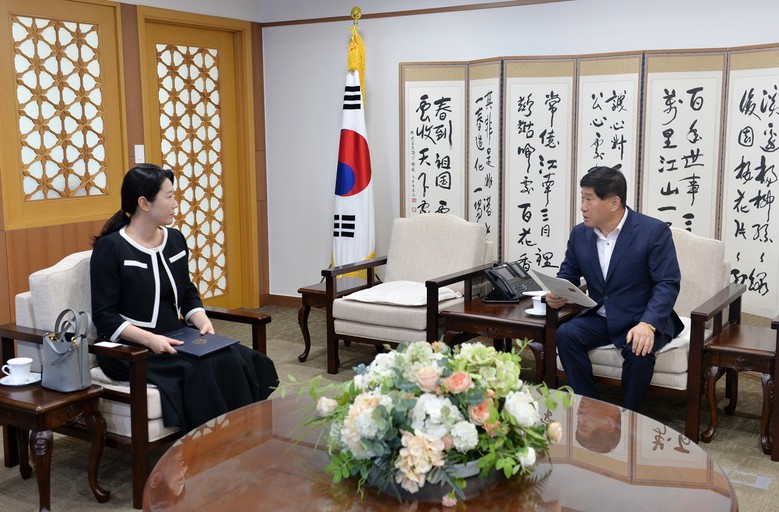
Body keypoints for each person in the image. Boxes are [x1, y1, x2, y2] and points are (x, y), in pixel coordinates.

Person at [90, 163, 278, 433]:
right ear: (144, 203)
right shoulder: (111, 248)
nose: (176, 203)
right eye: (169, 196)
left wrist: (201, 319)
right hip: (131, 349)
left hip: (177, 336)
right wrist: (151, 340)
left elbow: (187, 292)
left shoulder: (175, 239)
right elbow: (104, 315)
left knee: (239, 357)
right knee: (201, 370)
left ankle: (244, 435)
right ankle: (211, 444)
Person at [546, 165, 683, 411]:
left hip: (641, 317)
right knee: (566, 335)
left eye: (589, 199)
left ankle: (629, 415)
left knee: (639, 351)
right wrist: (558, 294)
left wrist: (648, 324)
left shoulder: (653, 232)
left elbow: (667, 283)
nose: (583, 207)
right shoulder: (580, 234)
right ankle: (591, 408)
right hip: (603, 316)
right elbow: (568, 274)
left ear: (613, 203)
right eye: (582, 198)